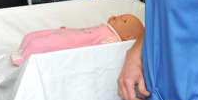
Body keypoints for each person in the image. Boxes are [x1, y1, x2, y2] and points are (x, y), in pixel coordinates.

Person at [11, 14, 144, 66]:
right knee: (31, 35)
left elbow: (104, 52)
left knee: (37, 43)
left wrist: (113, 47)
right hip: (67, 32)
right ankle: (21, 51)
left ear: (128, 37)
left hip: (67, 43)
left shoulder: (112, 39)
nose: (118, 17)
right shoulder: (106, 27)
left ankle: (21, 59)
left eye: (124, 20)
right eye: (121, 15)